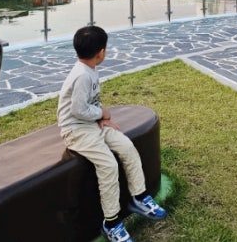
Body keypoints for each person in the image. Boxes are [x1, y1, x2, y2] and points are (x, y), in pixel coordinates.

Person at [57, 25, 166, 242]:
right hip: (75, 130)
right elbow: (77, 110)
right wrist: (102, 113)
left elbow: (89, 104)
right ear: (101, 53)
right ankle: (112, 223)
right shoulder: (82, 75)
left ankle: (139, 196)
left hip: (91, 123)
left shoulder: (89, 69)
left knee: (127, 147)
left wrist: (101, 118)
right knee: (108, 165)